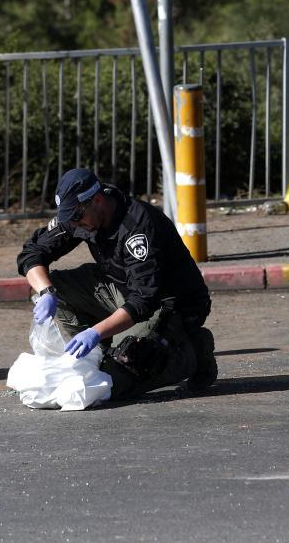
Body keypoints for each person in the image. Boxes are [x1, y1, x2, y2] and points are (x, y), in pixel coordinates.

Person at [17, 167, 217, 400]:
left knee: (119, 377)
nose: (73, 224)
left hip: (170, 305)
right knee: (60, 291)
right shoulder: (80, 214)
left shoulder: (137, 227)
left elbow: (144, 300)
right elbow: (32, 254)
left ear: (97, 200)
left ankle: (194, 352)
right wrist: (47, 292)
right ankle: (97, 357)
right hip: (122, 288)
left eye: (76, 218)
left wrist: (94, 332)